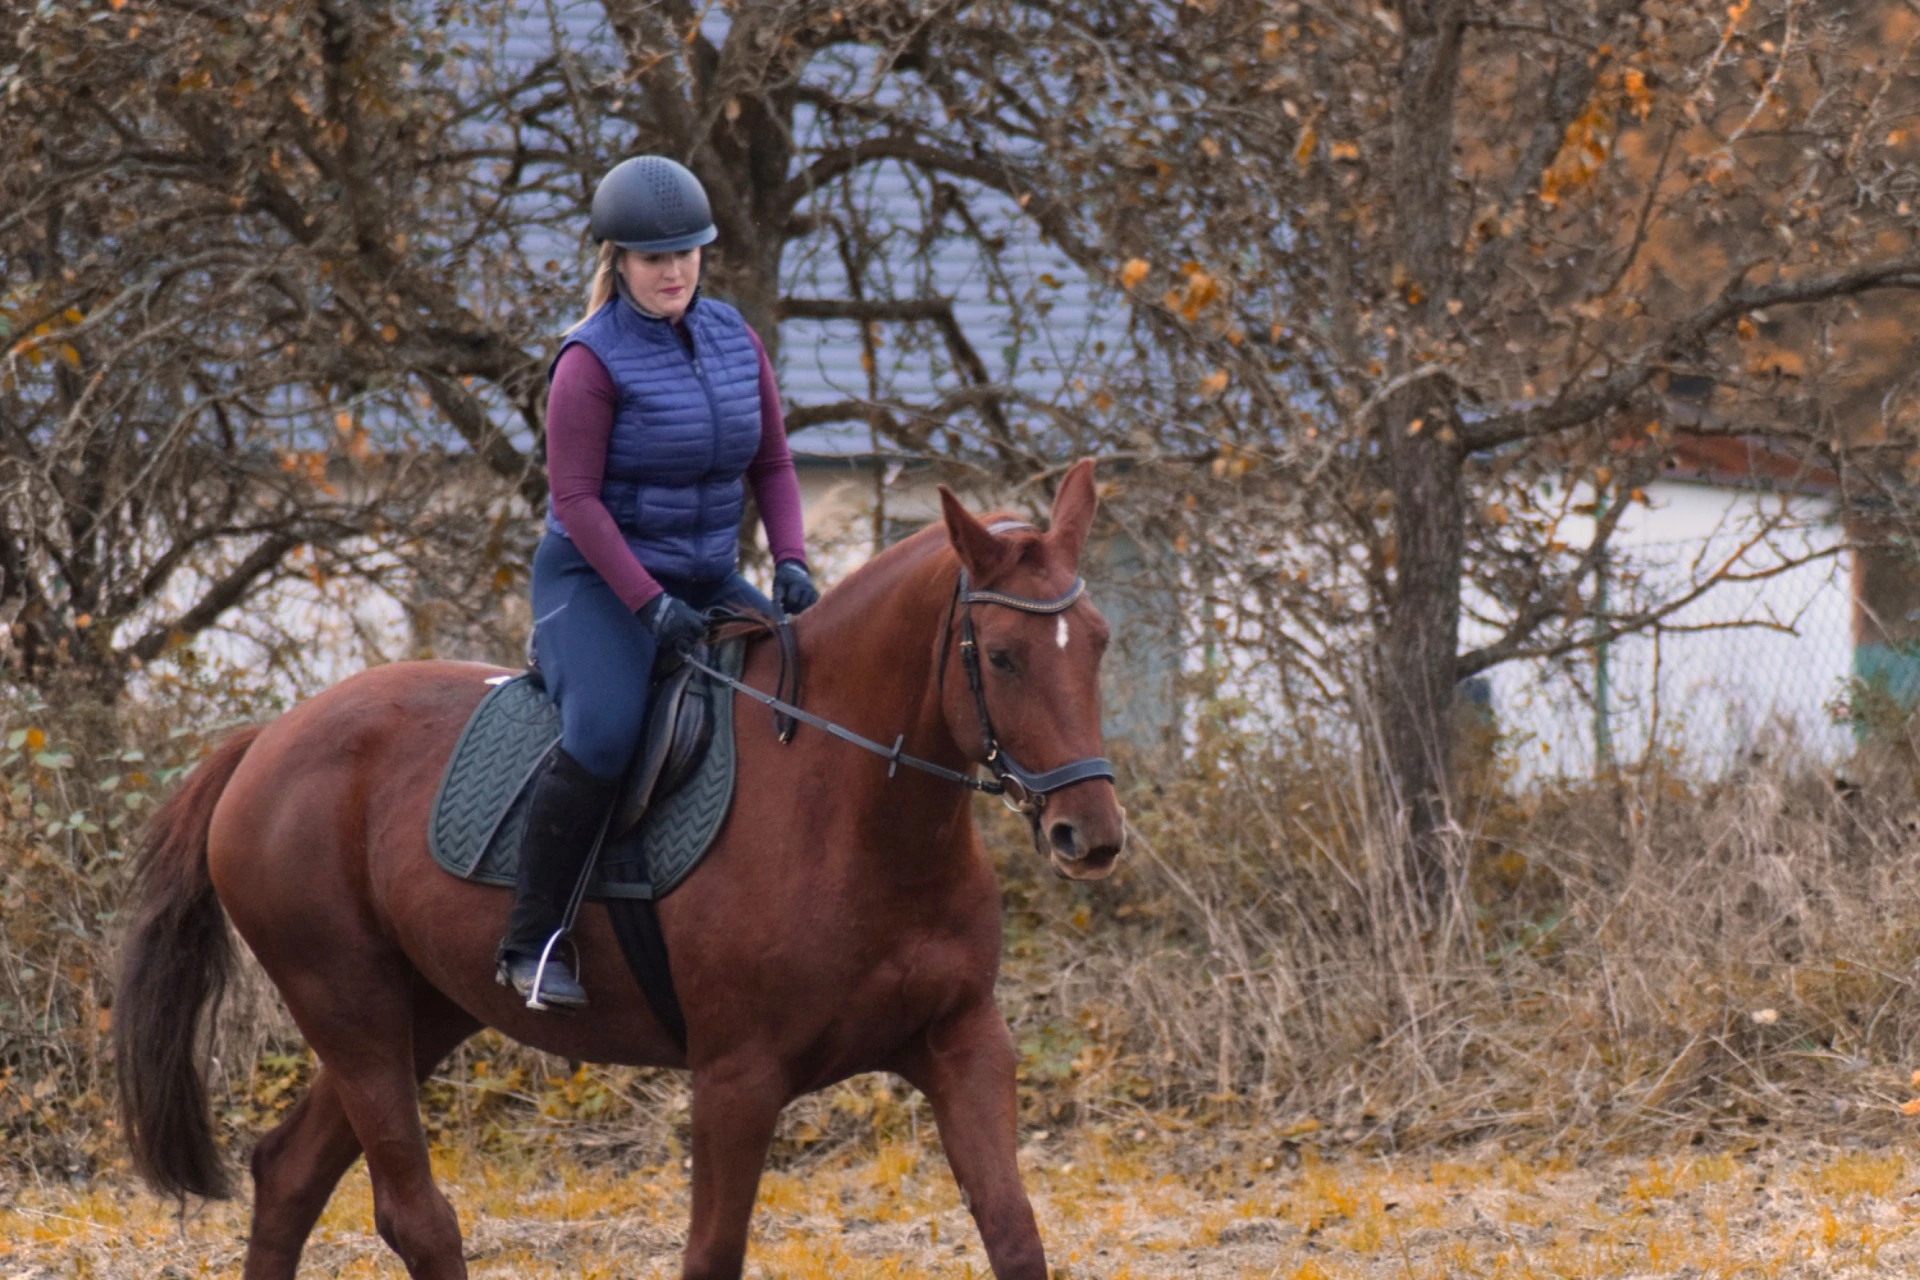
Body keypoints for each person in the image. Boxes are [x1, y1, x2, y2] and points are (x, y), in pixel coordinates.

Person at [497, 155, 819, 1012]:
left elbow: (775, 462)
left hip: (706, 575)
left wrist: (790, 559)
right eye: (653, 257)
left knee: (806, 678)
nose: (674, 270)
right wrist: (649, 605)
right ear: (620, 261)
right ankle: (533, 942)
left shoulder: (733, 338)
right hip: (597, 585)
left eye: (687, 252)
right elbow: (575, 500)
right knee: (604, 734)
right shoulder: (589, 363)